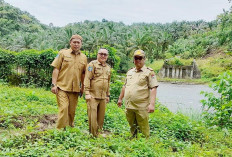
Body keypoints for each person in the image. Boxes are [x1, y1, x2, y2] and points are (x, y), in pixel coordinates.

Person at [117, 49, 158, 138]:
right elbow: (125, 86)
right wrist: (120, 99)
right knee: (132, 126)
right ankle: (133, 142)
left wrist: (152, 104)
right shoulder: (130, 72)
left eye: (140, 58)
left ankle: (144, 144)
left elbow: (153, 88)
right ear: (133, 59)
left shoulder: (149, 72)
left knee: (143, 128)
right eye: (136, 58)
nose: (138, 60)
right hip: (129, 105)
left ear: (144, 59)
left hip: (141, 106)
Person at [51, 34, 87, 129]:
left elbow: (83, 74)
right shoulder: (63, 53)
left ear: (81, 44)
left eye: (78, 42)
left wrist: (83, 87)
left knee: (72, 111)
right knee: (64, 108)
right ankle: (59, 131)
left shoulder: (84, 57)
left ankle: (70, 128)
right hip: (61, 87)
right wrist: (54, 84)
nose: (76, 44)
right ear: (70, 43)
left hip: (75, 89)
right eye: (74, 42)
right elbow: (56, 69)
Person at [84, 48, 111, 137]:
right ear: (97, 54)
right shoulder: (92, 65)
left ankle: (98, 133)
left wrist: (108, 95)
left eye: (105, 54)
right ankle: (93, 135)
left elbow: (108, 81)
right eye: (101, 54)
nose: (103, 56)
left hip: (103, 96)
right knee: (93, 116)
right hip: (93, 95)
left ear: (107, 56)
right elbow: (87, 78)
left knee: (101, 117)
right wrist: (87, 93)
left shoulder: (108, 67)